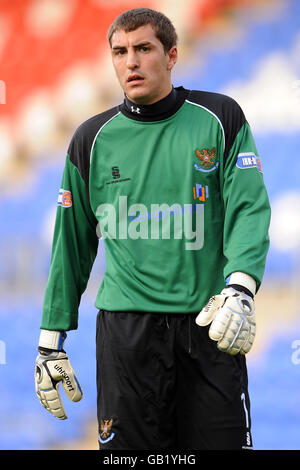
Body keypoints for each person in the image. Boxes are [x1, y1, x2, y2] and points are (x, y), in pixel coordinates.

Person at [35, 7, 271, 450]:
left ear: (172, 55)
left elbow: (249, 208)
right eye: (120, 52)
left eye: (144, 48)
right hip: (126, 338)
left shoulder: (221, 117)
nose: (131, 62)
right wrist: (51, 339)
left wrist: (240, 287)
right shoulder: (90, 139)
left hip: (209, 329)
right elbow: (71, 245)